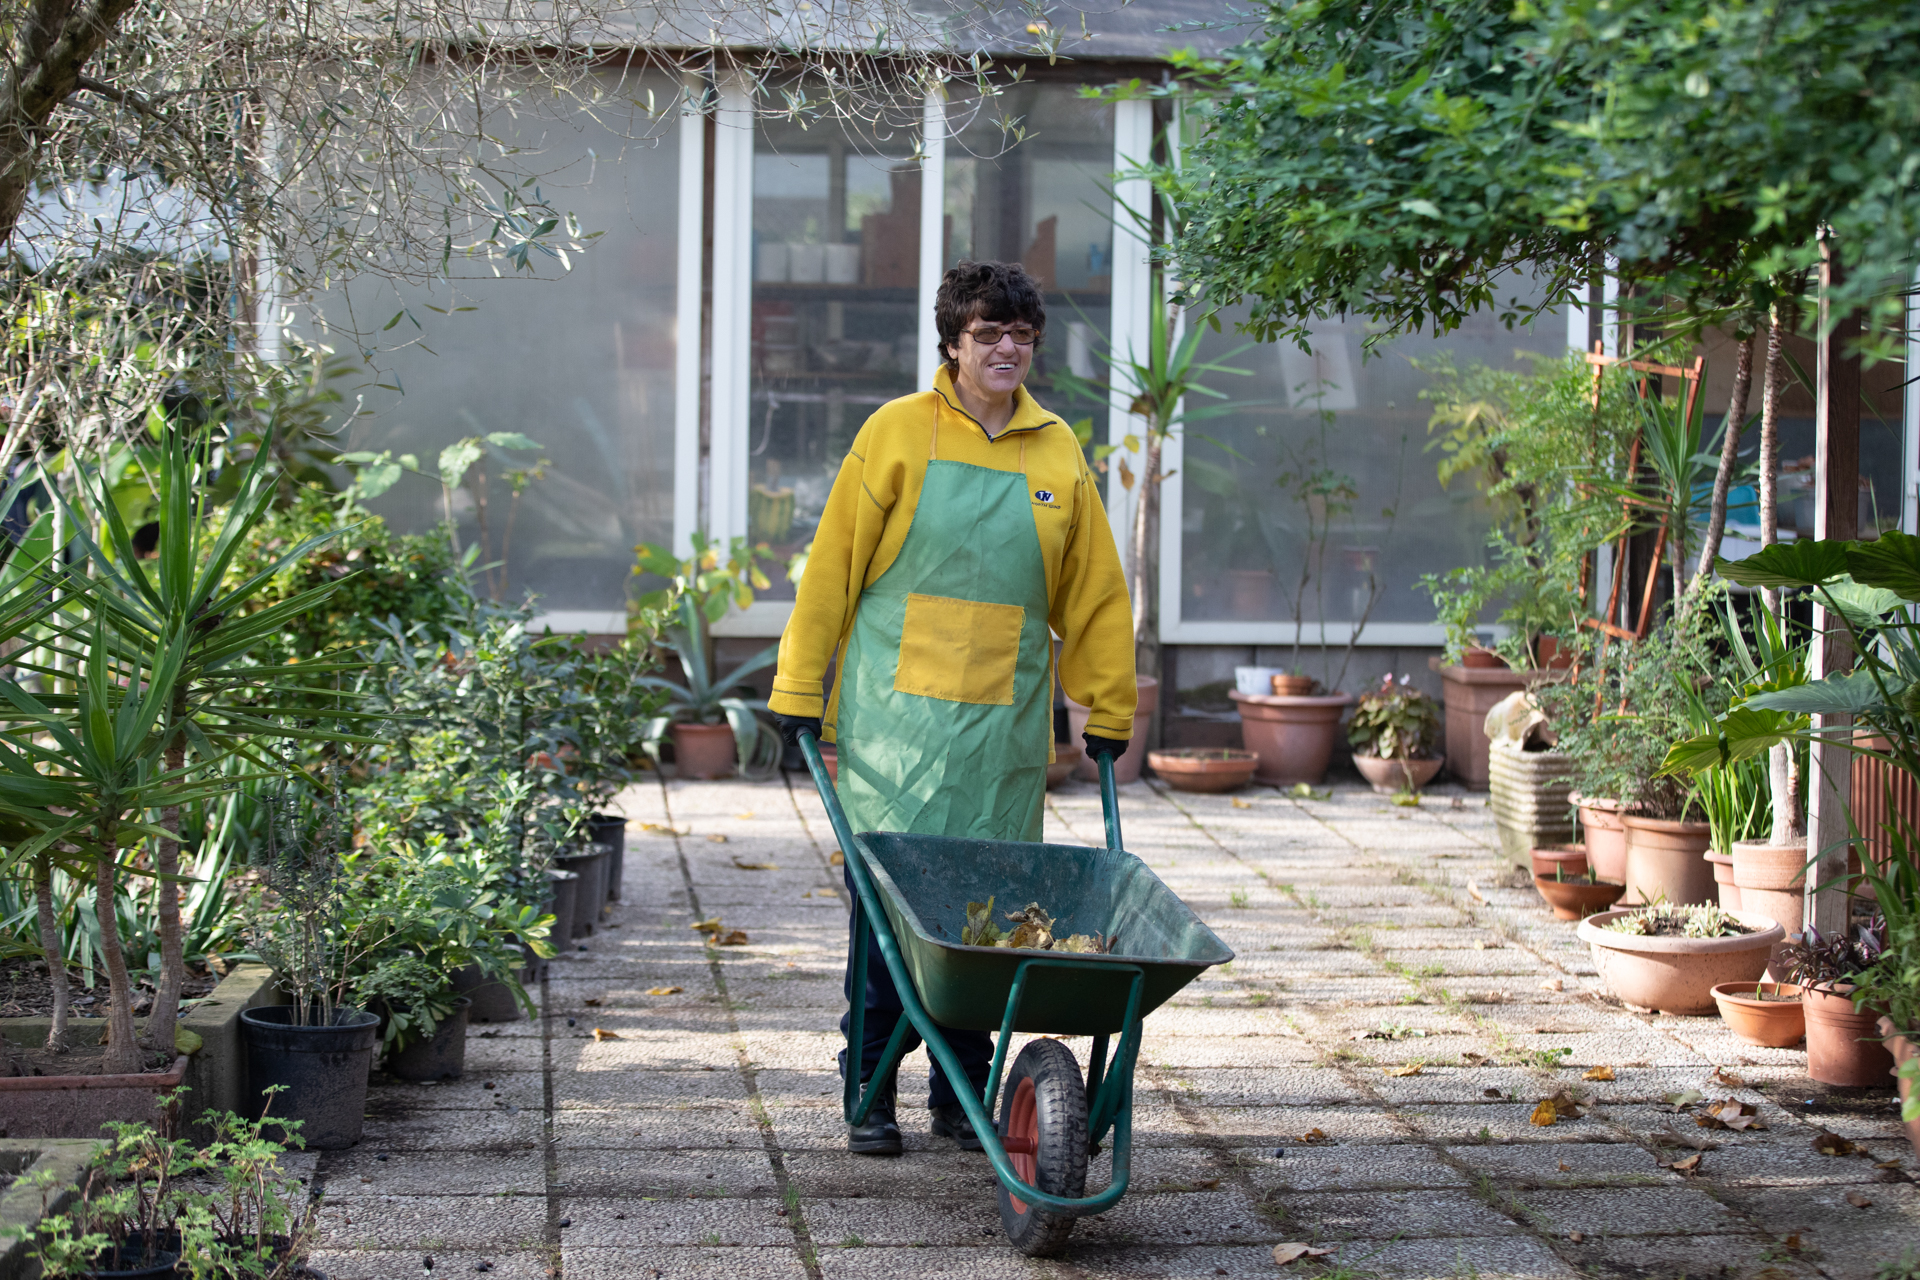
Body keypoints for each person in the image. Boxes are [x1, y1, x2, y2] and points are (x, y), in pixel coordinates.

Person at [770, 260, 1136, 1156]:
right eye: (988, 333)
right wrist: (799, 688)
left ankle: (960, 1091)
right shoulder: (896, 432)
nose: (1007, 349)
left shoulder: (1057, 450)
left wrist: (1107, 704)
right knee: (887, 915)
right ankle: (869, 1089)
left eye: (1022, 335)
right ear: (952, 343)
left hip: (1000, 735)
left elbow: (1093, 592)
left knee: (989, 918)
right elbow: (833, 570)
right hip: (895, 731)